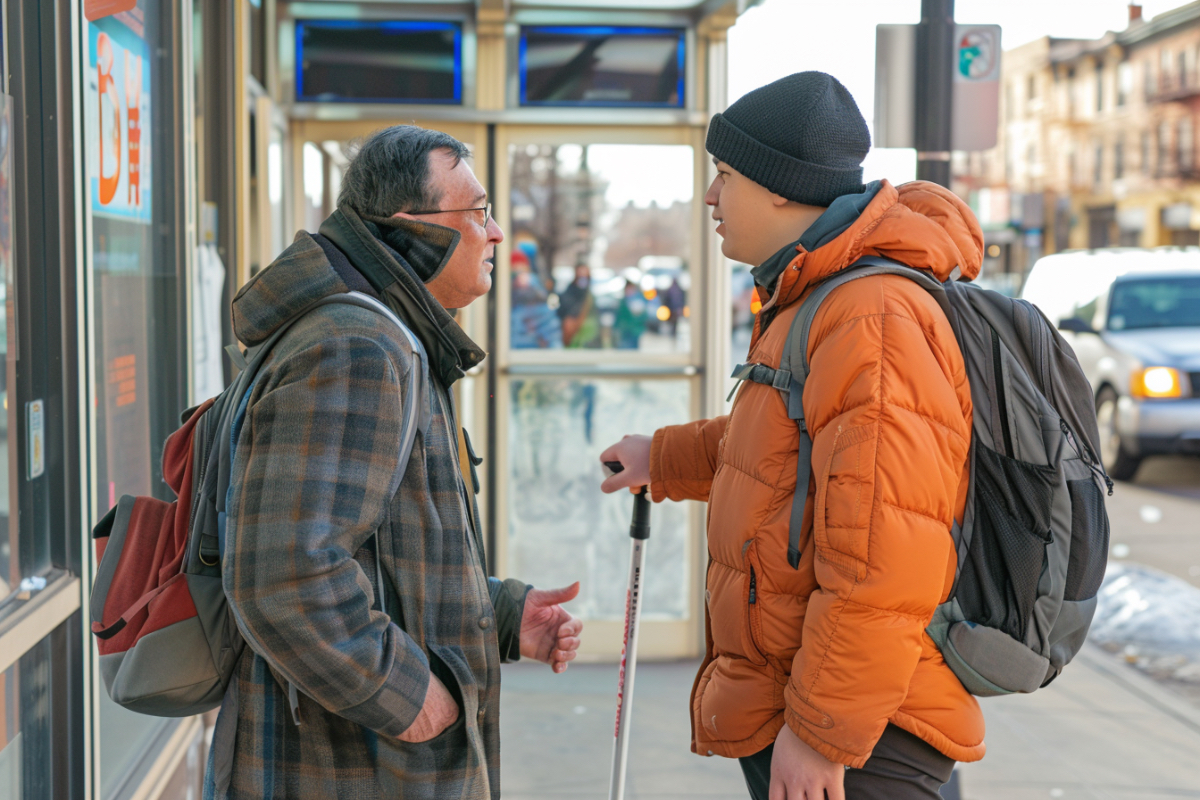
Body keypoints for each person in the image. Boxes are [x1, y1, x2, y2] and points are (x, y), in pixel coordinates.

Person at [599, 72, 984, 800]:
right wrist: (666, 457)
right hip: (811, 697)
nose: (711, 198)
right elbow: (784, 453)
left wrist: (821, 735)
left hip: (864, 734)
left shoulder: (872, 318)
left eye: (724, 175)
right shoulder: (816, 295)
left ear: (780, 185)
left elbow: (882, 553)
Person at [209, 125, 583, 800]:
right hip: (349, 768)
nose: (496, 233)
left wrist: (496, 613)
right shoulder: (357, 348)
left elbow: (376, 548)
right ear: (414, 230)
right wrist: (411, 698)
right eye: (478, 212)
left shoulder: (384, 335)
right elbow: (283, 576)